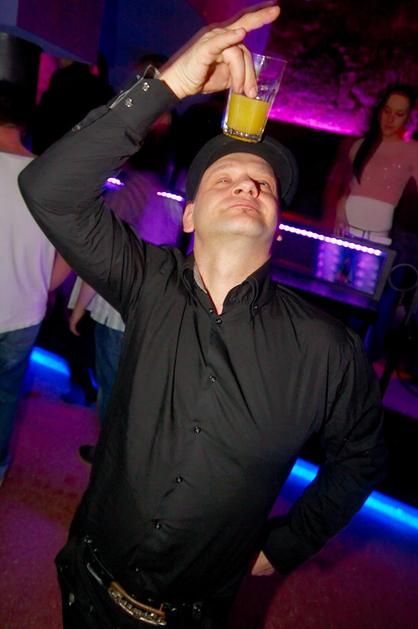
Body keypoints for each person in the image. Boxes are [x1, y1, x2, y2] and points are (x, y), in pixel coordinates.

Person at [19, 6, 385, 628]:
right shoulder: (149, 282)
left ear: (278, 226)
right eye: (225, 178)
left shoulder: (326, 349)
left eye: (263, 184)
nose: (247, 185)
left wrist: (287, 544)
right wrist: (165, 86)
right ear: (187, 216)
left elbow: (362, 459)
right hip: (89, 585)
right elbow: (48, 189)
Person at [0, 80, 70, 486]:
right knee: (7, 394)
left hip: (22, 311)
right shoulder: (51, 177)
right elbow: (71, 252)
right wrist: (42, 289)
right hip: (24, 313)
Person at [329, 83, 418, 244]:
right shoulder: (360, 145)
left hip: (377, 236)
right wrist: (339, 213)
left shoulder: (412, 150)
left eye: (399, 114)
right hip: (342, 230)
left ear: (407, 117)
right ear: (380, 110)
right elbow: (345, 187)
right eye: (387, 111)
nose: (390, 119)